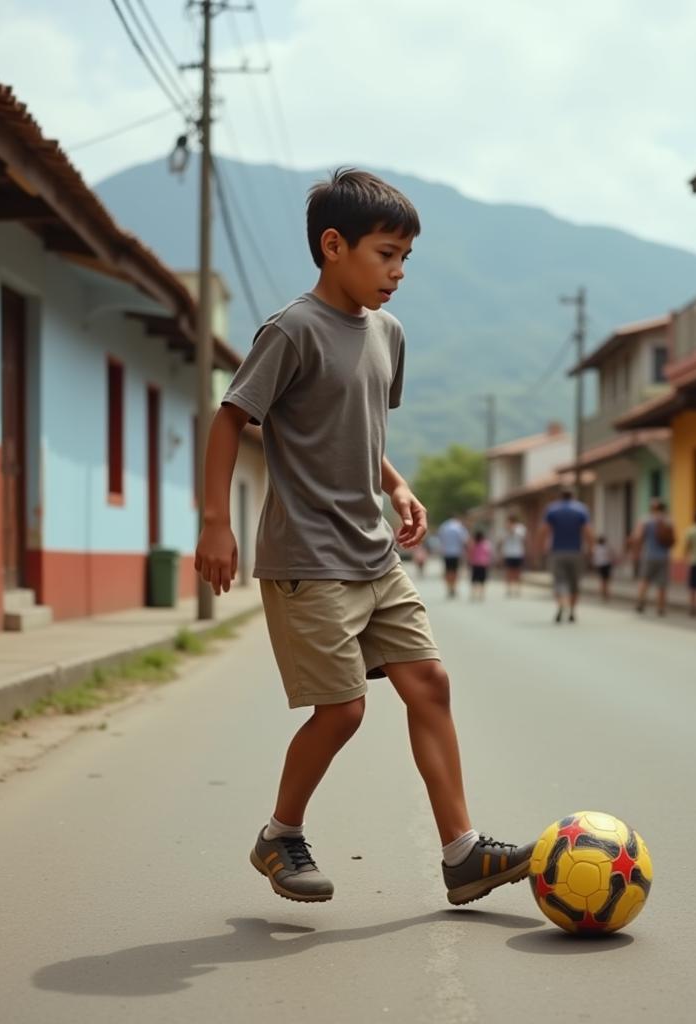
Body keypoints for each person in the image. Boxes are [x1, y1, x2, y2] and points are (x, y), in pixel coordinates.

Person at [194, 169, 531, 907]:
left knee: (429, 683)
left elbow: (352, 426)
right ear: (333, 245)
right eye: (386, 255)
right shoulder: (291, 330)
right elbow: (230, 419)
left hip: (372, 552)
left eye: (406, 257)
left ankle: (463, 852)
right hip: (307, 559)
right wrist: (215, 523)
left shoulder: (389, 334)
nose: (398, 273)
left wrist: (397, 484)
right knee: (344, 709)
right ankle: (280, 834)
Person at [540, 488, 593, 623]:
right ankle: (572, 611)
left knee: (559, 581)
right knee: (574, 583)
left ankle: (561, 605)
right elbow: (587, 531)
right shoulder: (581, 509)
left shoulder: (552, 509)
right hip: (576, 552)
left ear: (560, 496)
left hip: (557, 552)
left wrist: (541, 547)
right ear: (573, 496)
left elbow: (544, 530)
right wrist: (591, 549)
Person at [632, 498, 675, 616]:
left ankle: (640, 602)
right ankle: (661, 607)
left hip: (649, 555)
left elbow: (638, 537)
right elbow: (673, 539)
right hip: (664, 556)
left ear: (652, 508)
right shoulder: (668, 520)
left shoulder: (646, 520)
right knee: (662, 584)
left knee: (644, 580)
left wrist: (636, 551)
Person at [437, 514, 470, 598]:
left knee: (448, 571)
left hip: (446, 552)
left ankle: (449, 588)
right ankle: (454, 588)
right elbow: (464, 540)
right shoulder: (459, 527)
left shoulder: (444, 526)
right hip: (456, 552)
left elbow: (440, 539)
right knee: (455, 571)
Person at [500, 514, 527, 597]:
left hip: (518, 553)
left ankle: (518, 589)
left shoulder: (520, 528)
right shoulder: (505, 529)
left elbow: (523, 538)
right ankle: (509, 589)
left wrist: (512, 529)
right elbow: (502, 540)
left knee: (517, 572)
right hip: (508, 553)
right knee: (508, 571)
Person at [468, 529, 493, 601]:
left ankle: (473, 594)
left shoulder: (473, 544)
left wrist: (469, 561)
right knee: (482, 580)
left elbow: (470, 553)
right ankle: (481, 594)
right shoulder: (486, 544)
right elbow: (489, 553)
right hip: (483, 564)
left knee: (474, 580)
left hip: (475, 564)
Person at [592, 535, 613, 601]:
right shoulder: (606, 547)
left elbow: (594, 557)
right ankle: (606, 593)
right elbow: (610, 555)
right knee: (606, 580)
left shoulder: (595, 548)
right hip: (606, 564)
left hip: (600, 565)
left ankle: (603, 593)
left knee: (602, 580)